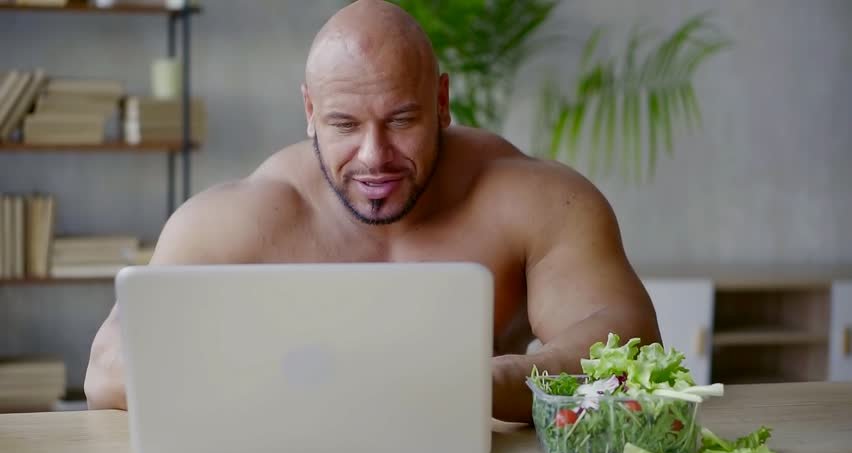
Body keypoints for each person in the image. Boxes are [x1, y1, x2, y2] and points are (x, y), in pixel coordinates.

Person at [84, 0, 660, 422]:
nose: (373, 157)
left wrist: (475, 383)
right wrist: (285, 384)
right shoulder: (239, 219)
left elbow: (630, 343)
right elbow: (108, 367)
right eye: (344, 124)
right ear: (310, 113)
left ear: (441, 103)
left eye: (401, 120)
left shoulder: (539, 201)